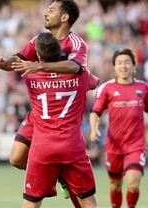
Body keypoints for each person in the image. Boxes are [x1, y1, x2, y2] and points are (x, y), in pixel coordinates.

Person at [0, 0, 88, 204]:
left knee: (82, 199)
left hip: (61, 116)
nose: (46, 13)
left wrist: (40, 66)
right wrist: (4, 63)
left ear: (64, 17)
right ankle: (58, 176)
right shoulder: (39, 40)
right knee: (16, 158)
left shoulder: (77, 43)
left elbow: (75, 67)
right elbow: (19, 59)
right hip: (40, 113)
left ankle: (60, 176)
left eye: (51, 10)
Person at [20, 31, 98, 208]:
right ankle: (62, 178)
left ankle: (56, 179)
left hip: (42, 147)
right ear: (61, 54)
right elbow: (94, 81)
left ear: (39, 56)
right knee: (88, 203)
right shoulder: (81, 75)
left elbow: (25, 63)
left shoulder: (30, 76)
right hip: (72, 146)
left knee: (31, 204)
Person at [89, 48, 148, 208]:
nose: (123, 66)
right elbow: (95, 112)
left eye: (127, 62)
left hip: (135, 145)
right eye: (120, 63)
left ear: (133, 66)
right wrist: (94, 129)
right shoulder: (107, 89)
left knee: (133, 184)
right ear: (114, 67)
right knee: (115, 185)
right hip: (113, 146)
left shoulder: (144, 88)